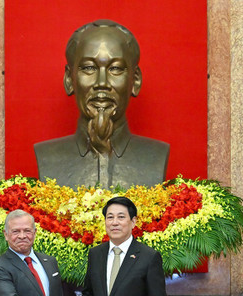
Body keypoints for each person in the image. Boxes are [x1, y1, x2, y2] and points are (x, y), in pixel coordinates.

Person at [34, 19, 169, 190]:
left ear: (135, 80)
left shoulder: (156, 155)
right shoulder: (47, 156)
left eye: (115, 69)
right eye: (89, 68)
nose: (102, 83)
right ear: (69, 80)